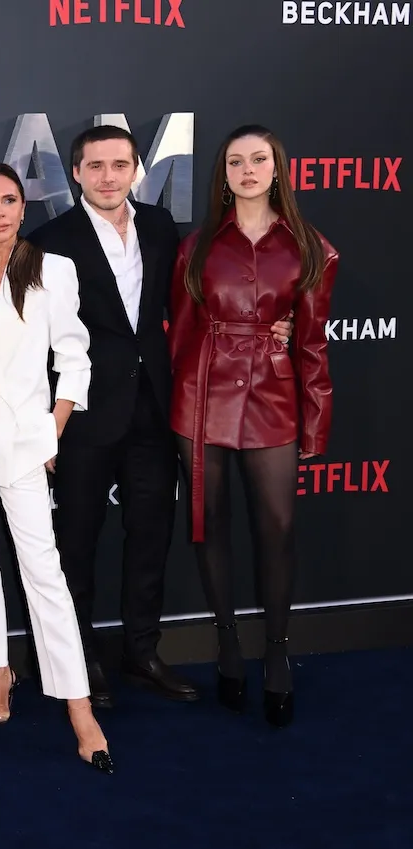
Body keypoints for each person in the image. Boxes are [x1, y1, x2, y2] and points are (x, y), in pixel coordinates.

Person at [26, 126, 293, 707]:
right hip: (84, 414)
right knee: (77, 543)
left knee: (151, 537)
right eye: (95, 166)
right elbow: (31, 338)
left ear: (135, 171)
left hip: (154, 407)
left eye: (119, 165)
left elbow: (208, 301)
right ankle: (80, 662)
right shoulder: (47, 240)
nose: (107, 177)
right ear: (76, 173)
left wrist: (277, 323)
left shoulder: (161, 228)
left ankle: (142, 653)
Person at [0, 163, 112, 774]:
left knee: (43, 570)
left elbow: (74, 357)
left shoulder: (52, 269)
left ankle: (79, 706)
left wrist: (53, 432)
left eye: (9, 200)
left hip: (24, 444)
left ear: (22, 207)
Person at [168, 125, 337, 729]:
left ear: (277, 168)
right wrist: (179, 410)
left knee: (278, 530)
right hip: (200, 397)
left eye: (257, 159)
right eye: (235, 161)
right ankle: (228, 644)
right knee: (209, 527)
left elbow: (313, 347)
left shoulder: (311, 249)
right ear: (223, 174)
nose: (246, 170)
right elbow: (181, 337)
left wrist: (314, 426)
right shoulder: (197, 247)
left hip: (274, 397)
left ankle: (278, 653)